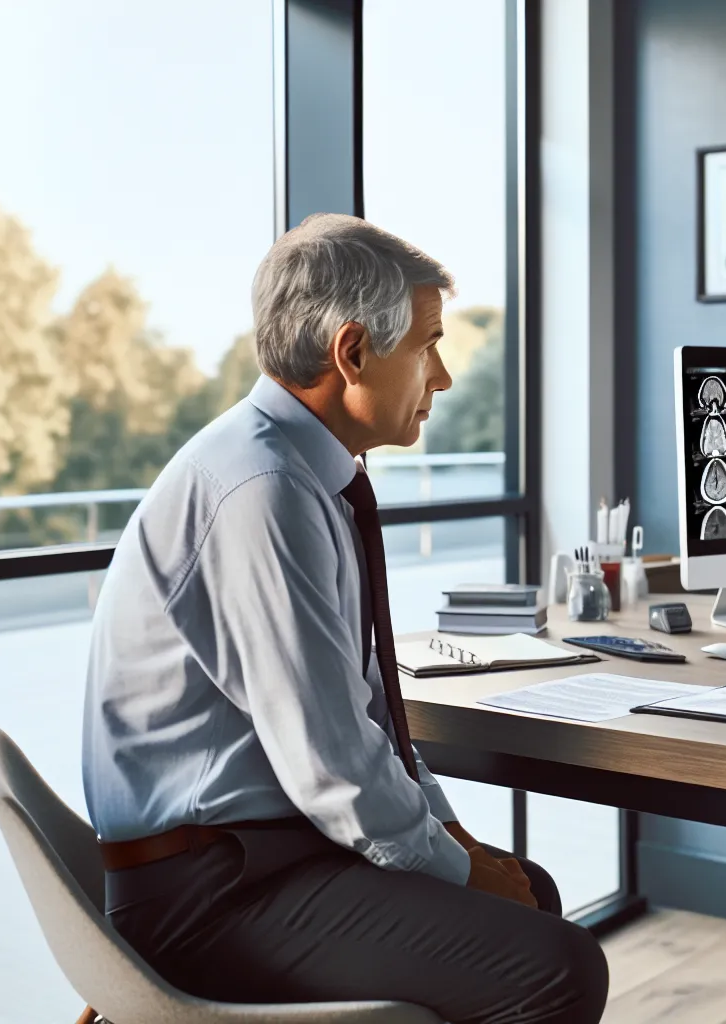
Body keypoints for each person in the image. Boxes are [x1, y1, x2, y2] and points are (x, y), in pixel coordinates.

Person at [82, 214, 607, 1024]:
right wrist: (459, 868)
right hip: (214, 897)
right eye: (429, 346)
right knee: (558, 968)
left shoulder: (296, 474)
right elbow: (333, 766)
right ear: (353, 352)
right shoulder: (263, 492)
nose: (443, 377)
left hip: (269, 854)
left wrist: (457, 843)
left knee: (528, 892)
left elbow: (365, 725)